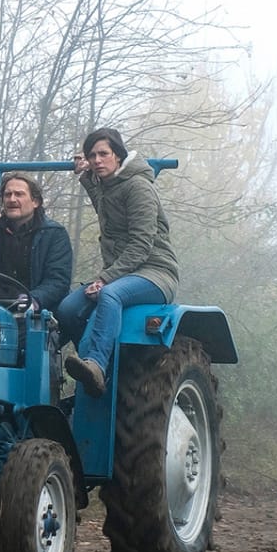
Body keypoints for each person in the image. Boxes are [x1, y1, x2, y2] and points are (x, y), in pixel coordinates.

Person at [58, 127, 179, 397]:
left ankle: (98, 364)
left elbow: (141, 244)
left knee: (109, 295)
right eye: (92, 155)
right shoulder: (109, 186)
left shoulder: (138, 187)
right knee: (67, 309)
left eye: (104, 154)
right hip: (123, 273)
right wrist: (85, 176)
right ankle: (93, 367)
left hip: (155, 272)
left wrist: (106, 279)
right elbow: (104, 206)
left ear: (118, 155)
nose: (98, 160)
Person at [0, 173, 73, 313]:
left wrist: (34, 300)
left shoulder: (54, 234)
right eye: (7, 194)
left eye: (19, 194)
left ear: (35, 201)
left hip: (33, 311)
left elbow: (58, 281)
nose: (12, 199)